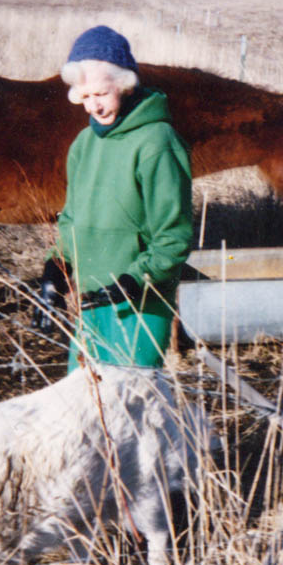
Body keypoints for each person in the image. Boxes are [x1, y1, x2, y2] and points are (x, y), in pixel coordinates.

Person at [34, 25, 193, 373]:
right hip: (91, 304)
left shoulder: (158, 142)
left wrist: (135, 279)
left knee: (130, 408)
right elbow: (72, 221)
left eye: (102, 94)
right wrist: (54, 270)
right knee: (86, 403)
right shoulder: (83, 145)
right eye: (85, 96)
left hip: (140, 305)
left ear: (124, 83)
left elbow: (174, 238)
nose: (94, 106)